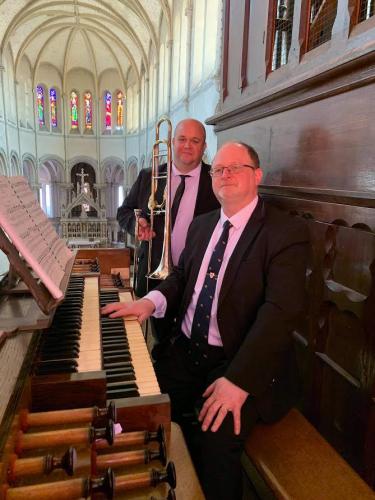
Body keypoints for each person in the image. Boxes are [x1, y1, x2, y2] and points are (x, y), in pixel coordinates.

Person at [103, 142, 309, 500]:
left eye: (236, 168)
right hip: (185, 352)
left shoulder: (283, 232)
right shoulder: (202, 226)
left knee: (214, 438)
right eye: (219, 169)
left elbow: (280, 311)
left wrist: (239, 379)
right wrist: (150, 303)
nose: (224, 174)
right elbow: (181, 277)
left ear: (257, 175)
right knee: (138, 405)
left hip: (238, 360)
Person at [117, 118, 220, 298]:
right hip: (153, 274)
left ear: (204, 146)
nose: (187, 145)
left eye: (195, 141)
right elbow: (124, 212)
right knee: (154, 325)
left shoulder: (216, 180)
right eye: (182, 139)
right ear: (172, 143)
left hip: (197, 276)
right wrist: (137, 224)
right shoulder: (148, 176)